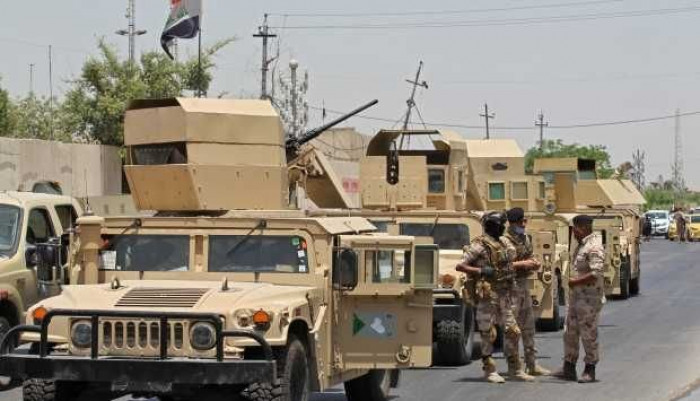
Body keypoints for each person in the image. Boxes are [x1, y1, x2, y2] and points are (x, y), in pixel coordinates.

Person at [456, 211, 535, 383]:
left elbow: (509, 262)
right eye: (501, 225)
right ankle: (489, 369)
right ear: (492, 225)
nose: (503, 227)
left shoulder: (503, 242)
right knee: (488, 332)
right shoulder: (479, 245)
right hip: (488, 294)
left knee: (513, 331)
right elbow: (460, 266)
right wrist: (481, 271)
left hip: (505, 293)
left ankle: (515, 369)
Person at [554, 215, 605, 383]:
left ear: (583, 228)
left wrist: (575, 282)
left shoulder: (594, 246)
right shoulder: (582, 244)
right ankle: (568, 367)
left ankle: (590, 369)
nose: (573, 233)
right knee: (570, 332)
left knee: (588, 334)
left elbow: (596, 273)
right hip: (577, 297)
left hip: (589, 300)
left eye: (575, 229)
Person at [502, 207, 550, 376]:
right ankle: (514, 367)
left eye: (525, 220)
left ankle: (532, 364)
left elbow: (530, 255)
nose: (524, 224)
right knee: (512, 329)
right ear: (512, 223)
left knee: (529, 327)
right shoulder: (503, 241)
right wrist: (523, 264)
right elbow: (500, 266)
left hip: (523, 286)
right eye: (521, 221)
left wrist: (534, 262)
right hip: (510, 288)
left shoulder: (525, 238)